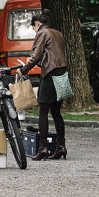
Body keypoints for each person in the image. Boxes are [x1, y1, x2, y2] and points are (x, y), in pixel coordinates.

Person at [18, 9, 68, 160]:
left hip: (50, 73)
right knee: (56, 111)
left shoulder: (42, 33)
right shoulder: (58, 33)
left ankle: (43, 148)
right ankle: (61, 147)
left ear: (38, 24)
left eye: (33, 27)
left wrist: (23, 70)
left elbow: (36, 56)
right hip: (62, 73)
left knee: (43, 110)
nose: (34, 31)